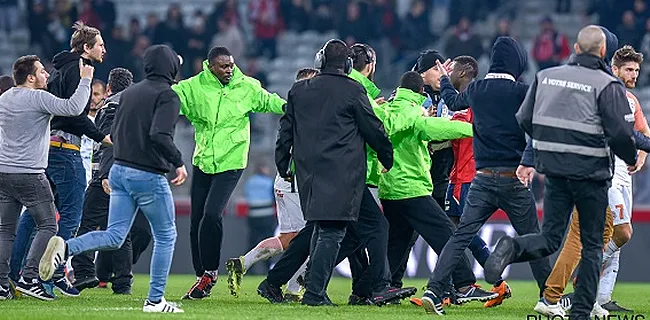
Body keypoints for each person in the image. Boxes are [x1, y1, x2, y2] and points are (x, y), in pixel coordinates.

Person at [485, 25, 637, 320]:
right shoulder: (607, 84)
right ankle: (580, 311)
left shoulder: (545, 77)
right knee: (593, 245)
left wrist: (548, 148)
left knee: (550, 238)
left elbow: (525, 120)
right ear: (605, 52)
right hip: (592, 175)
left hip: (555, 173)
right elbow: (620, 134)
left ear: (576, 48)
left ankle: (512, 246)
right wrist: (630, 156)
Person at [41, 44, 187, 313]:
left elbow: (113, 134)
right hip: (147, 173)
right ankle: (155, 300)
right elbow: (159, 135)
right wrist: (178, 162)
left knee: (115, 235)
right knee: (166, 235)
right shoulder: (168, 95)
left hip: (119, 170)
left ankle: (65, 247)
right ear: (171, 67)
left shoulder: (128, 93)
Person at [421, 37, 553, 314]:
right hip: (513, 179)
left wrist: (445, 79)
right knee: (533, 237)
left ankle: (434, 290)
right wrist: (528, 161)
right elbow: (538, 129)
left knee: (460, 237)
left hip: (480, 178)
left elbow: (453, 101)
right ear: (517, 61)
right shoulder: (522, 91)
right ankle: (547, 298)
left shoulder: (478, 89)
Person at [274, 39, 394, 306]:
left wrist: (283, 164)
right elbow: (373, 128)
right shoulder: (353, 91)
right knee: (332, 230)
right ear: (347, 65)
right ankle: (314, 294)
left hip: (308, 173)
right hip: (343, 173)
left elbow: (285, 131)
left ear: (320, 60)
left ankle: (306, 287)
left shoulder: (298, 91)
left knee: (323, 228)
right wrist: (387, 156)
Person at [536, 45, 649, 317]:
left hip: (619, 176)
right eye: (629, 69)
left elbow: (640, 131)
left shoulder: (630, 100)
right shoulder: (604, 93)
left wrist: (641, 155)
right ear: (615, 68)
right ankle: (562, 291)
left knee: (603, 235)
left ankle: (588, 295)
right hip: (600, 176)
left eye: (637, 69)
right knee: (611, 234)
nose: (635, 74)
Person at [376, 71, 496, 315]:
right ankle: (464, 285)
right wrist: (475, 131)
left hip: (388, 189)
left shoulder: (387, 109)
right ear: (420, 93)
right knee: (447, 234)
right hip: (412, 189)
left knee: (396, 242)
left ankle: (375, 287)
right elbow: (440, 128)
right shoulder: (414, 113)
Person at [172, 46, 286, 300]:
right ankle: (202, 274)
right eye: (223, 66)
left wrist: (292, 107)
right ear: (210, 66)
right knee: (196, 221)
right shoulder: (193, 87)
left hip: (232, 162)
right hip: (203, 161)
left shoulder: (246, 86)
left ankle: (210, 273)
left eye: (231, 65)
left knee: (212, 213)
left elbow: (270, 101)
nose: (229, 69)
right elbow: (167, 99)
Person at [13, 21, 110, 297]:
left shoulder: (58, 68)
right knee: (71, 215)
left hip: (49, 148)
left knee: (34, 216)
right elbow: (74, 115)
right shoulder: (79, 70)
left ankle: (14, 273)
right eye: (101, 44)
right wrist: (102, 137)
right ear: (87, 48)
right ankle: (53, 273)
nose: (105, 49)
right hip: (66, 151)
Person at [0, 55, 92, 301]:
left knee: (6, 230)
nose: (47, 75)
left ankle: (1, 284)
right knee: (49, 225)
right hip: (29, 173)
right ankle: (29, 279)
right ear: (30, 78)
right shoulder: (38, 98)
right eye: (41, 71)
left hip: (4, 172)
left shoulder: (5, 98)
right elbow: (73, 108)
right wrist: (85, 81)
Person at [225, 68, 318, 299]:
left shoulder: (297, 113)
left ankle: (243, 263)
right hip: (294, 181)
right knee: (309, 237)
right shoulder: (304, 115)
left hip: (289, 180)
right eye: (312, 84)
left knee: (289, 239)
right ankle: (295, 289)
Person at [70, 67, 134, 294]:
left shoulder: (111, 107)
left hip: (106, 177)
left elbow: (110, 142)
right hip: (128, 175)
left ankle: (84, 272)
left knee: (87, 223)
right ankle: (123, 282)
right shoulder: (133, 106)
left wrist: (105, 174)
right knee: (120, 229)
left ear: (108, 88)